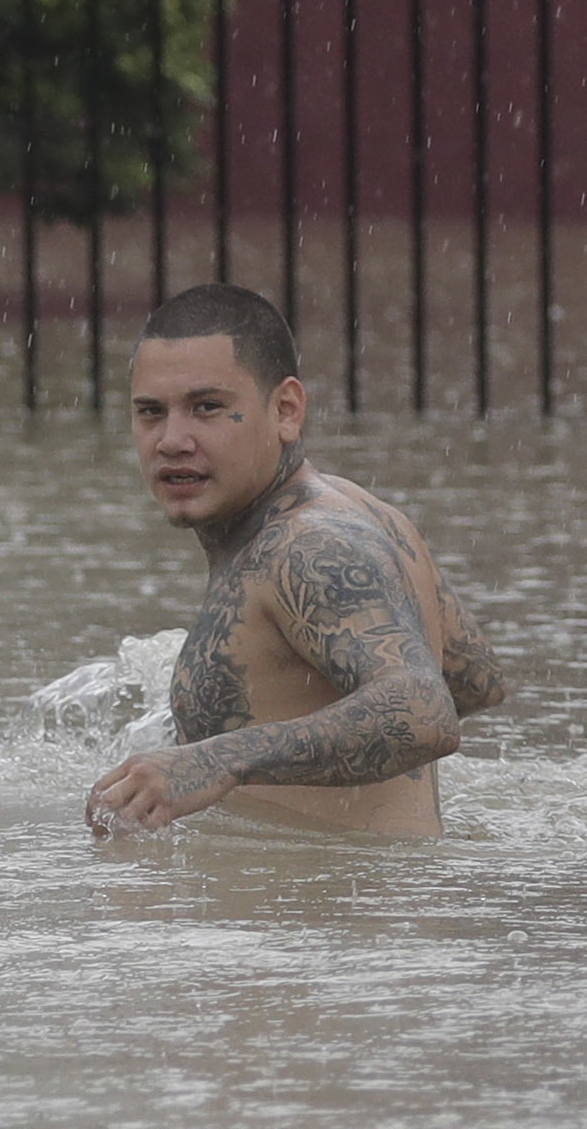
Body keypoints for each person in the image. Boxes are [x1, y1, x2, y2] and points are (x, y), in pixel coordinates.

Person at [88, 284, 511, 839]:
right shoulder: (362, 511)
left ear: (286, 411)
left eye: (206, 407)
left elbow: (425, 713)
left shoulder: (310, 545)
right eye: (151, 412)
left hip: (345, 891)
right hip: (365, 883)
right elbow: (474, 678)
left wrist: (216, 759)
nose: (171, 440)